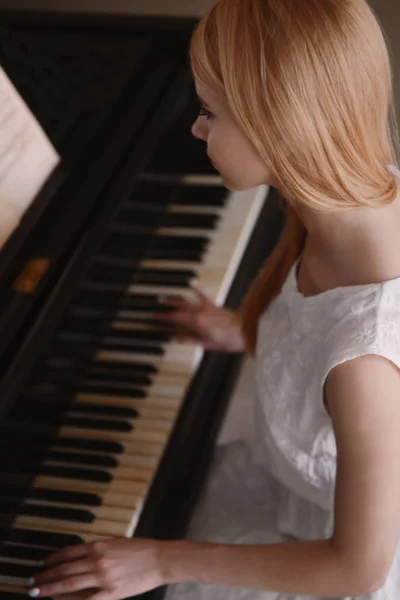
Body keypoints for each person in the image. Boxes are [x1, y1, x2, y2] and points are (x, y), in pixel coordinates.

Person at [28, 0, 400, 598]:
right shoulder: (346, 191)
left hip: (323, 556)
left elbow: (356, 570)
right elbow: (317, 312)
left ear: (282, 126)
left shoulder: (364, 366)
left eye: (207, 112)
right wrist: (248, 330)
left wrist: (159, 561)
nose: (197, 128)